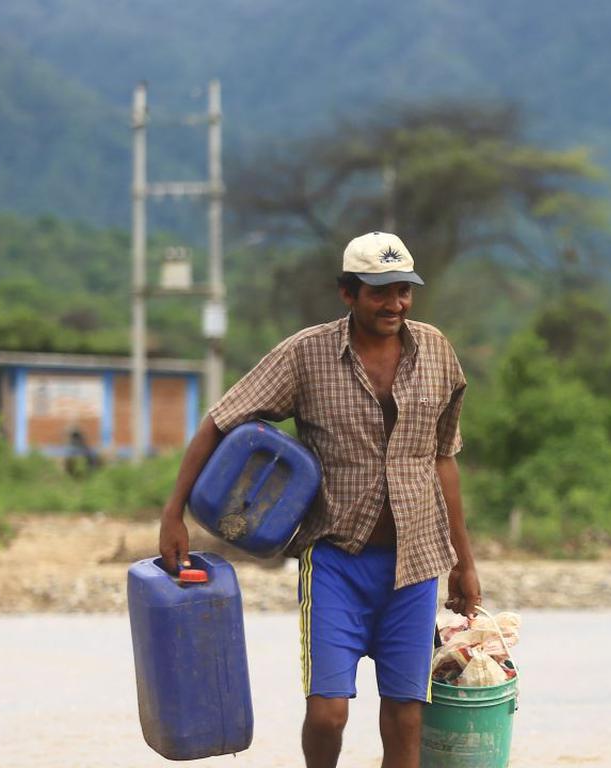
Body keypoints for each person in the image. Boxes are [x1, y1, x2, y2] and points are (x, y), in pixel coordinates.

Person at [157, 231, 478, 768]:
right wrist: (174, 514)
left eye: (403, 290)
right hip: (335, 562)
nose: (394, 304)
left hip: (417, 563)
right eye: (380, 292)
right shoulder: (306, 355)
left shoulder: (436, 351)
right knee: (329, 712)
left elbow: (443, 459)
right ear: (348, 294)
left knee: (406, 715)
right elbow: (219, 420)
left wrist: (463, 563)